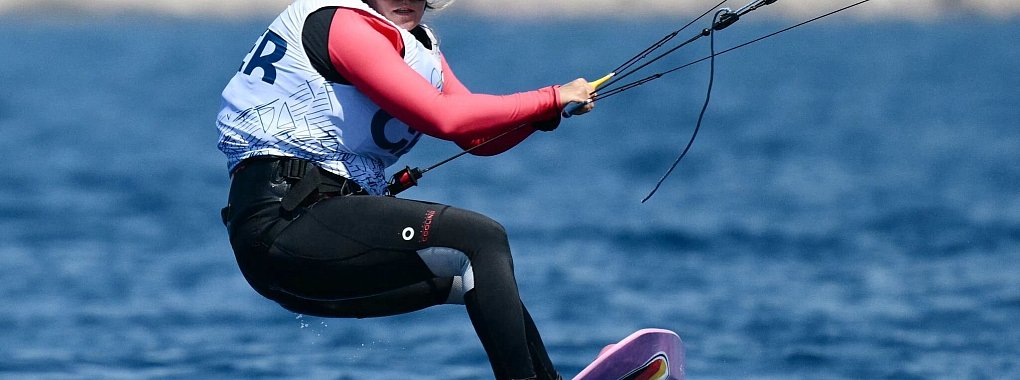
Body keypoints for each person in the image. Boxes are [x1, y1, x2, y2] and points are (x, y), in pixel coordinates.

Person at [216, 0, 594, 379]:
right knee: (481, 238)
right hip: (283, 224)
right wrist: (550, 96)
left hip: (313, 235)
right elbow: (444, 118)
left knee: (472, 275)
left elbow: (478, 137)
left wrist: (542, 116)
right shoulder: (345, 26)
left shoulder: (419, 45)